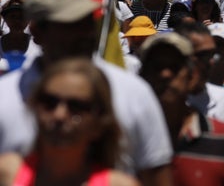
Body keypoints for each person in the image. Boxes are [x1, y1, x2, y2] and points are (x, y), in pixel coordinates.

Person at [0, 0, 173, 185]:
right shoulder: (4, 96)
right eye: (70, 24)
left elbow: (157, 176)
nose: (86, 32)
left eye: (88, 20)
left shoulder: (134, 93)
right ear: (37, 31)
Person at [138, 32, 224, 186]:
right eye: (156, 67)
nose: (165, 74)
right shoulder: (122, 140)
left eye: (175, 67)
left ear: (192, 76)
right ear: (141, 76)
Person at [0, 58, 139, 186]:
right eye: (50, 103)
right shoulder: (6, 174)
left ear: (100, 122)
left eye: (76, 107)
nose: (59, 115)